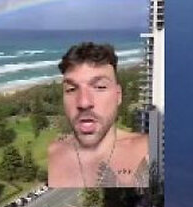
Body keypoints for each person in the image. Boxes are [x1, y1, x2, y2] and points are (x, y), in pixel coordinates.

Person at [47, 42, 149, 188]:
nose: (83, 102)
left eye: (100, 87)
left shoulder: (150, 151)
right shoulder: (52, 154)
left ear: (118, 96)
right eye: (71, 89)